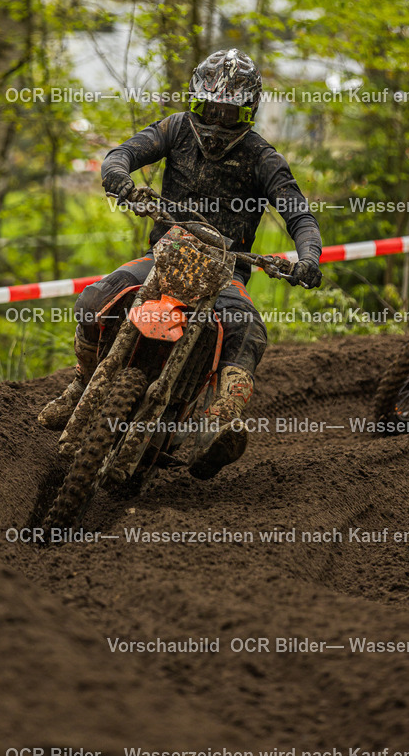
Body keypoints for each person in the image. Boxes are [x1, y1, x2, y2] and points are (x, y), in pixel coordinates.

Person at [38, 48, 323, 479]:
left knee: (248, 330)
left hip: (225, 271)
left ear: (247, 113)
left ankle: (221, 420)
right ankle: (81, 382)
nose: (217, 120)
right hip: (164, 253)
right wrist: (118, 175)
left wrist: (308, 258)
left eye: (229, 113)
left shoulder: (264, 159)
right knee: (96, 299)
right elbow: (124, 152)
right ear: (194, 101)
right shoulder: (175, 128)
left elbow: (299, 214)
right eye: (210, 108)